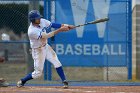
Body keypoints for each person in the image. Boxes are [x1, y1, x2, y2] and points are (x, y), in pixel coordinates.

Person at [17, 10, 75, 88]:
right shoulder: (31, 31)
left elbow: (53, 24)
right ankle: (22, 81)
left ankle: (64, 81)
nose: (39, 19)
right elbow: (47, 36)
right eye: (37, 18)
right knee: (38, 73)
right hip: (38, 50)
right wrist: (61, 30)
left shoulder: (42, 21)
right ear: (32, 20)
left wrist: (67, 25)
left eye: (39, 17)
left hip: (45, 46)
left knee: (57, 62)